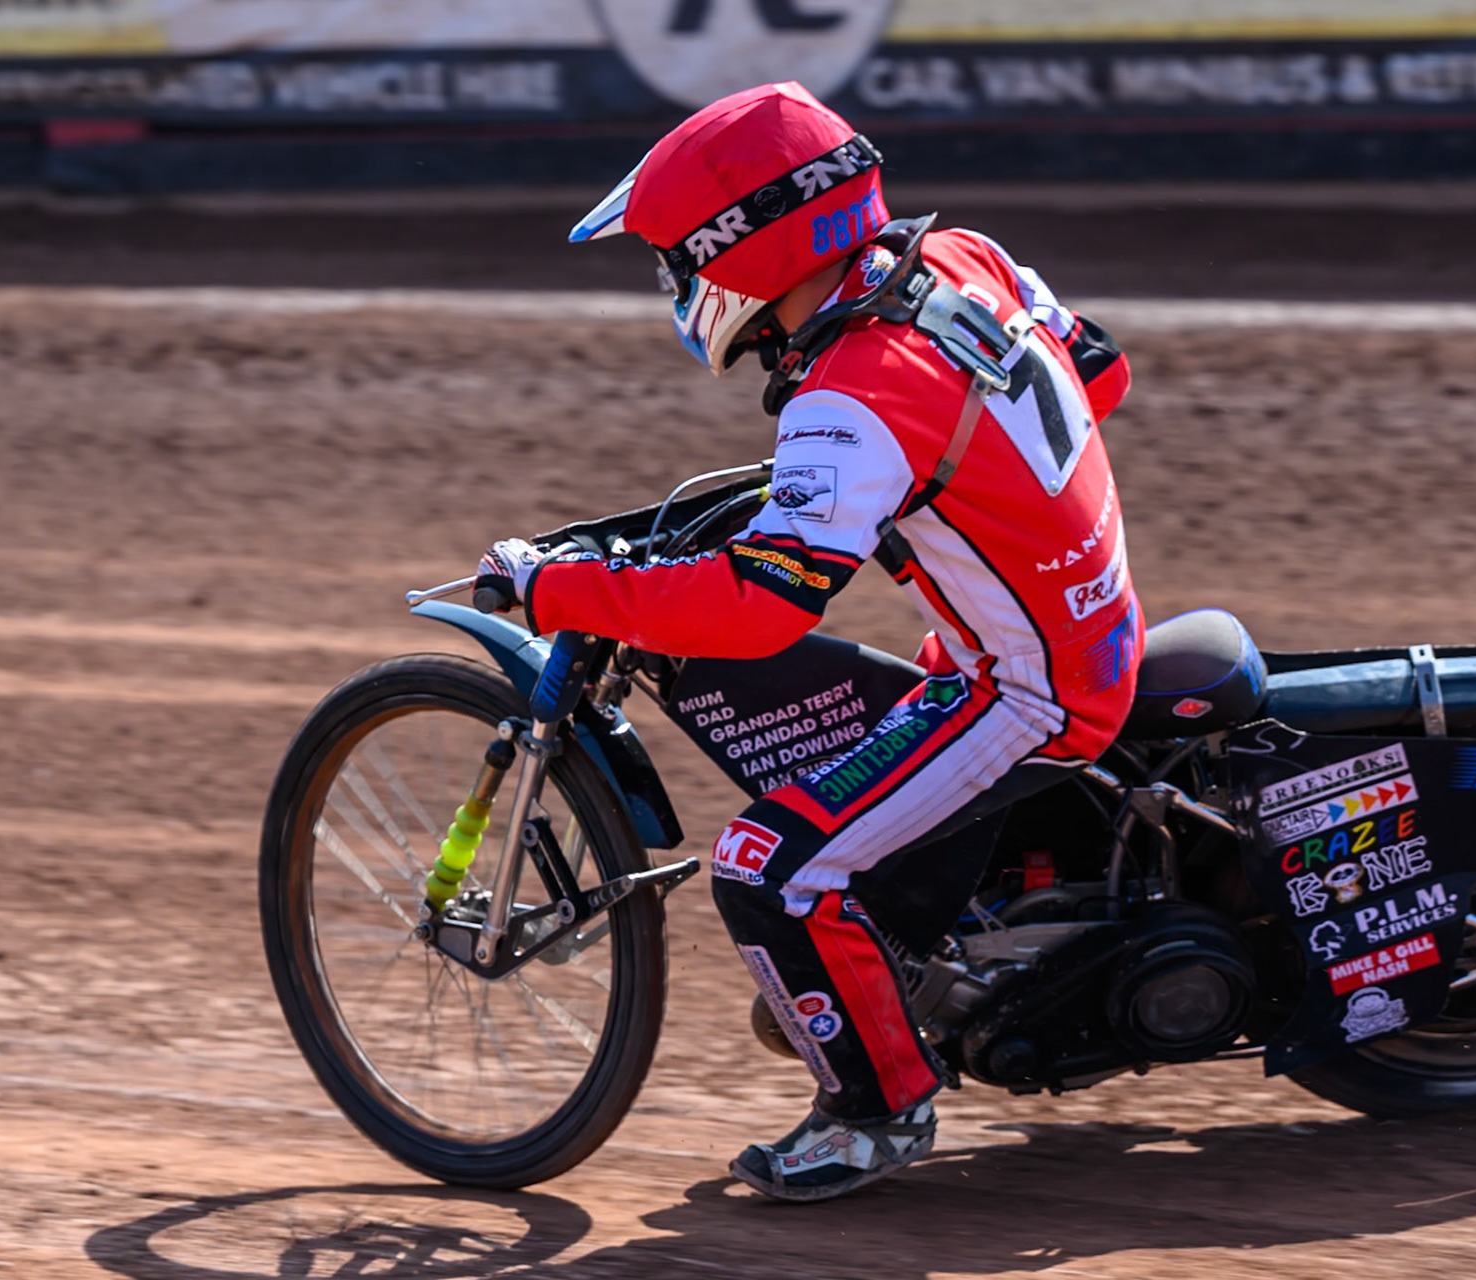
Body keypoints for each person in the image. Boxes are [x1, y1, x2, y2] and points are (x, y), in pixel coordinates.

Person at [473, 81, 1142, 1202]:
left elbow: (756, 607)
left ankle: (875, 1112)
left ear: (740, 253)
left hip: (1028, 687)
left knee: (768, 869)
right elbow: (1101, 369)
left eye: (675, 260)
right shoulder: (966, 260)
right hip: (1073, 625)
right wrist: (939, 496)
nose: (675, 287)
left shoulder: (847, 395)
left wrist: (563, 591)